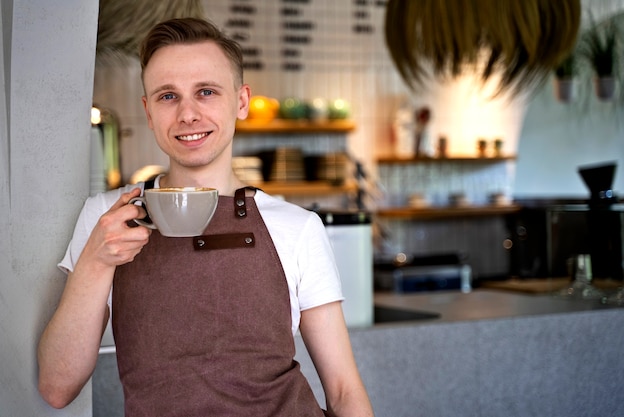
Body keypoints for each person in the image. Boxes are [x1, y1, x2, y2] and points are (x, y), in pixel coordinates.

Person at [37, 17, 374, 417]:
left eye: (207, 92)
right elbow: (57, 387)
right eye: (167, 96)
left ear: (242, 101)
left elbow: (343, 391)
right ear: (147, 111)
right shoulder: (106, 218)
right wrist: (95, 259)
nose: (188, 114)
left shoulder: (297, 227)